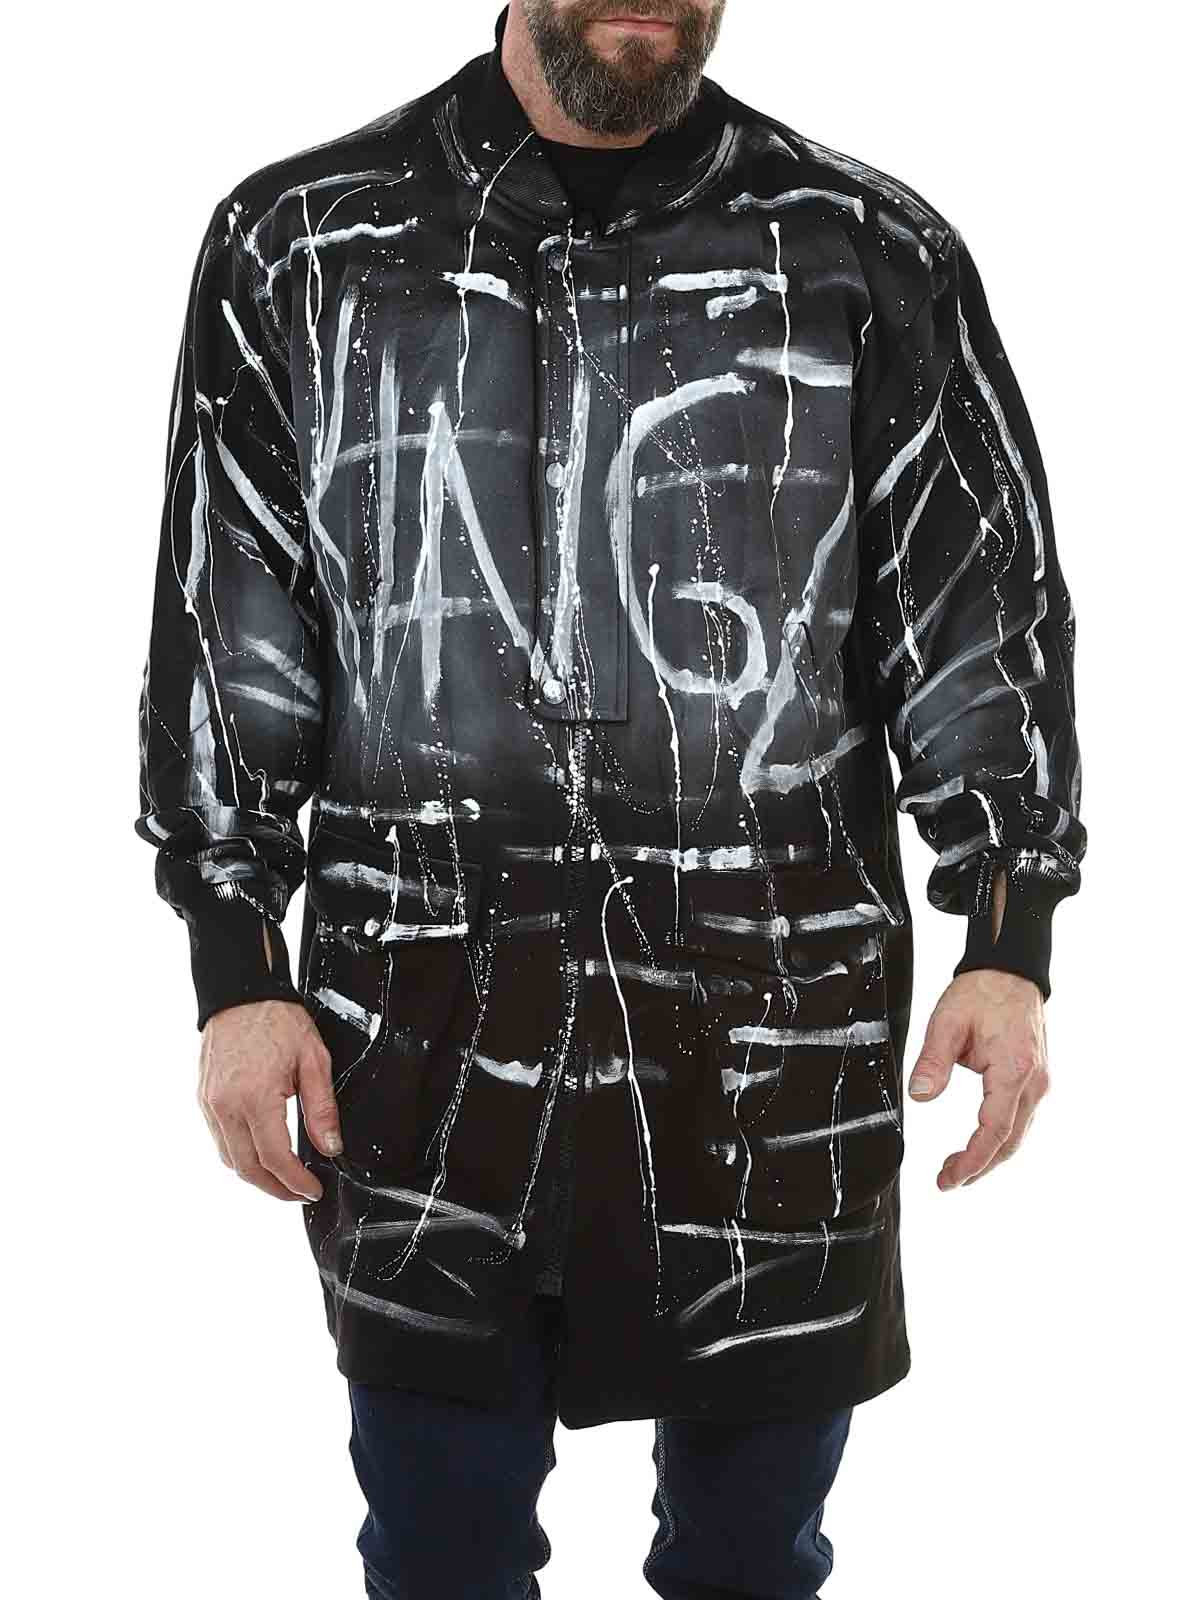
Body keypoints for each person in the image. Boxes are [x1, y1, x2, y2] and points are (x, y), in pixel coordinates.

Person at [134, 2, 1087, 1594]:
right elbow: (230, 626)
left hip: (773, 1052)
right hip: (421, 1048)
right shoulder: (307, 245)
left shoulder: (863, 253)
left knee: (753, 1559)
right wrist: (235, 968)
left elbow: (977, 611)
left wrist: (1010, 935)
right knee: (438, 1551)